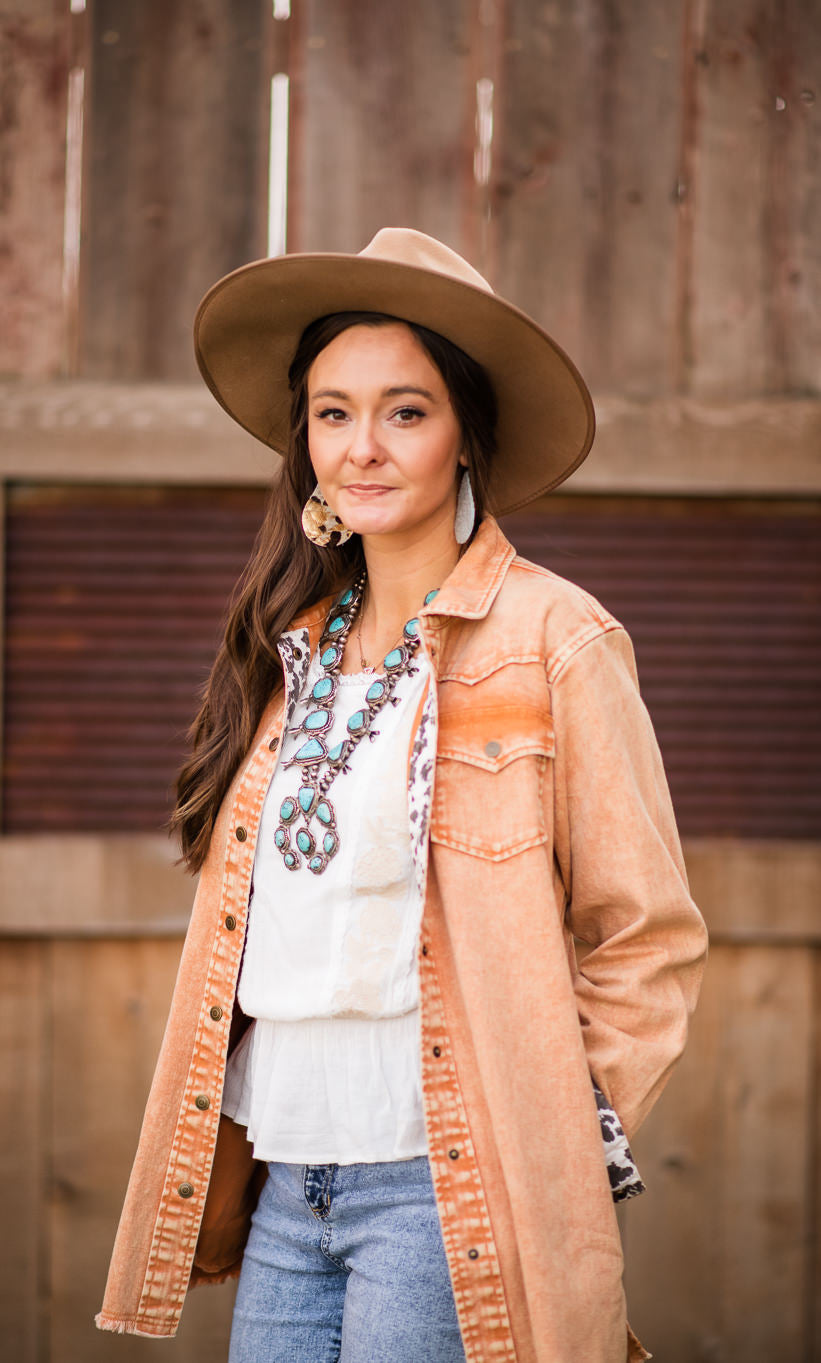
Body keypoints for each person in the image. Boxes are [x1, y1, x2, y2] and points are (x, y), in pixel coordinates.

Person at [95, 229, 708, 1363]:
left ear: (467, 431)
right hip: (284, 1179)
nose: (360, 448)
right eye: (332, 413)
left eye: (404, 412)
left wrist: (562, 1135)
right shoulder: (293, 654)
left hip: (447, 1189)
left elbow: (646, 937)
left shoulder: (557, 641)